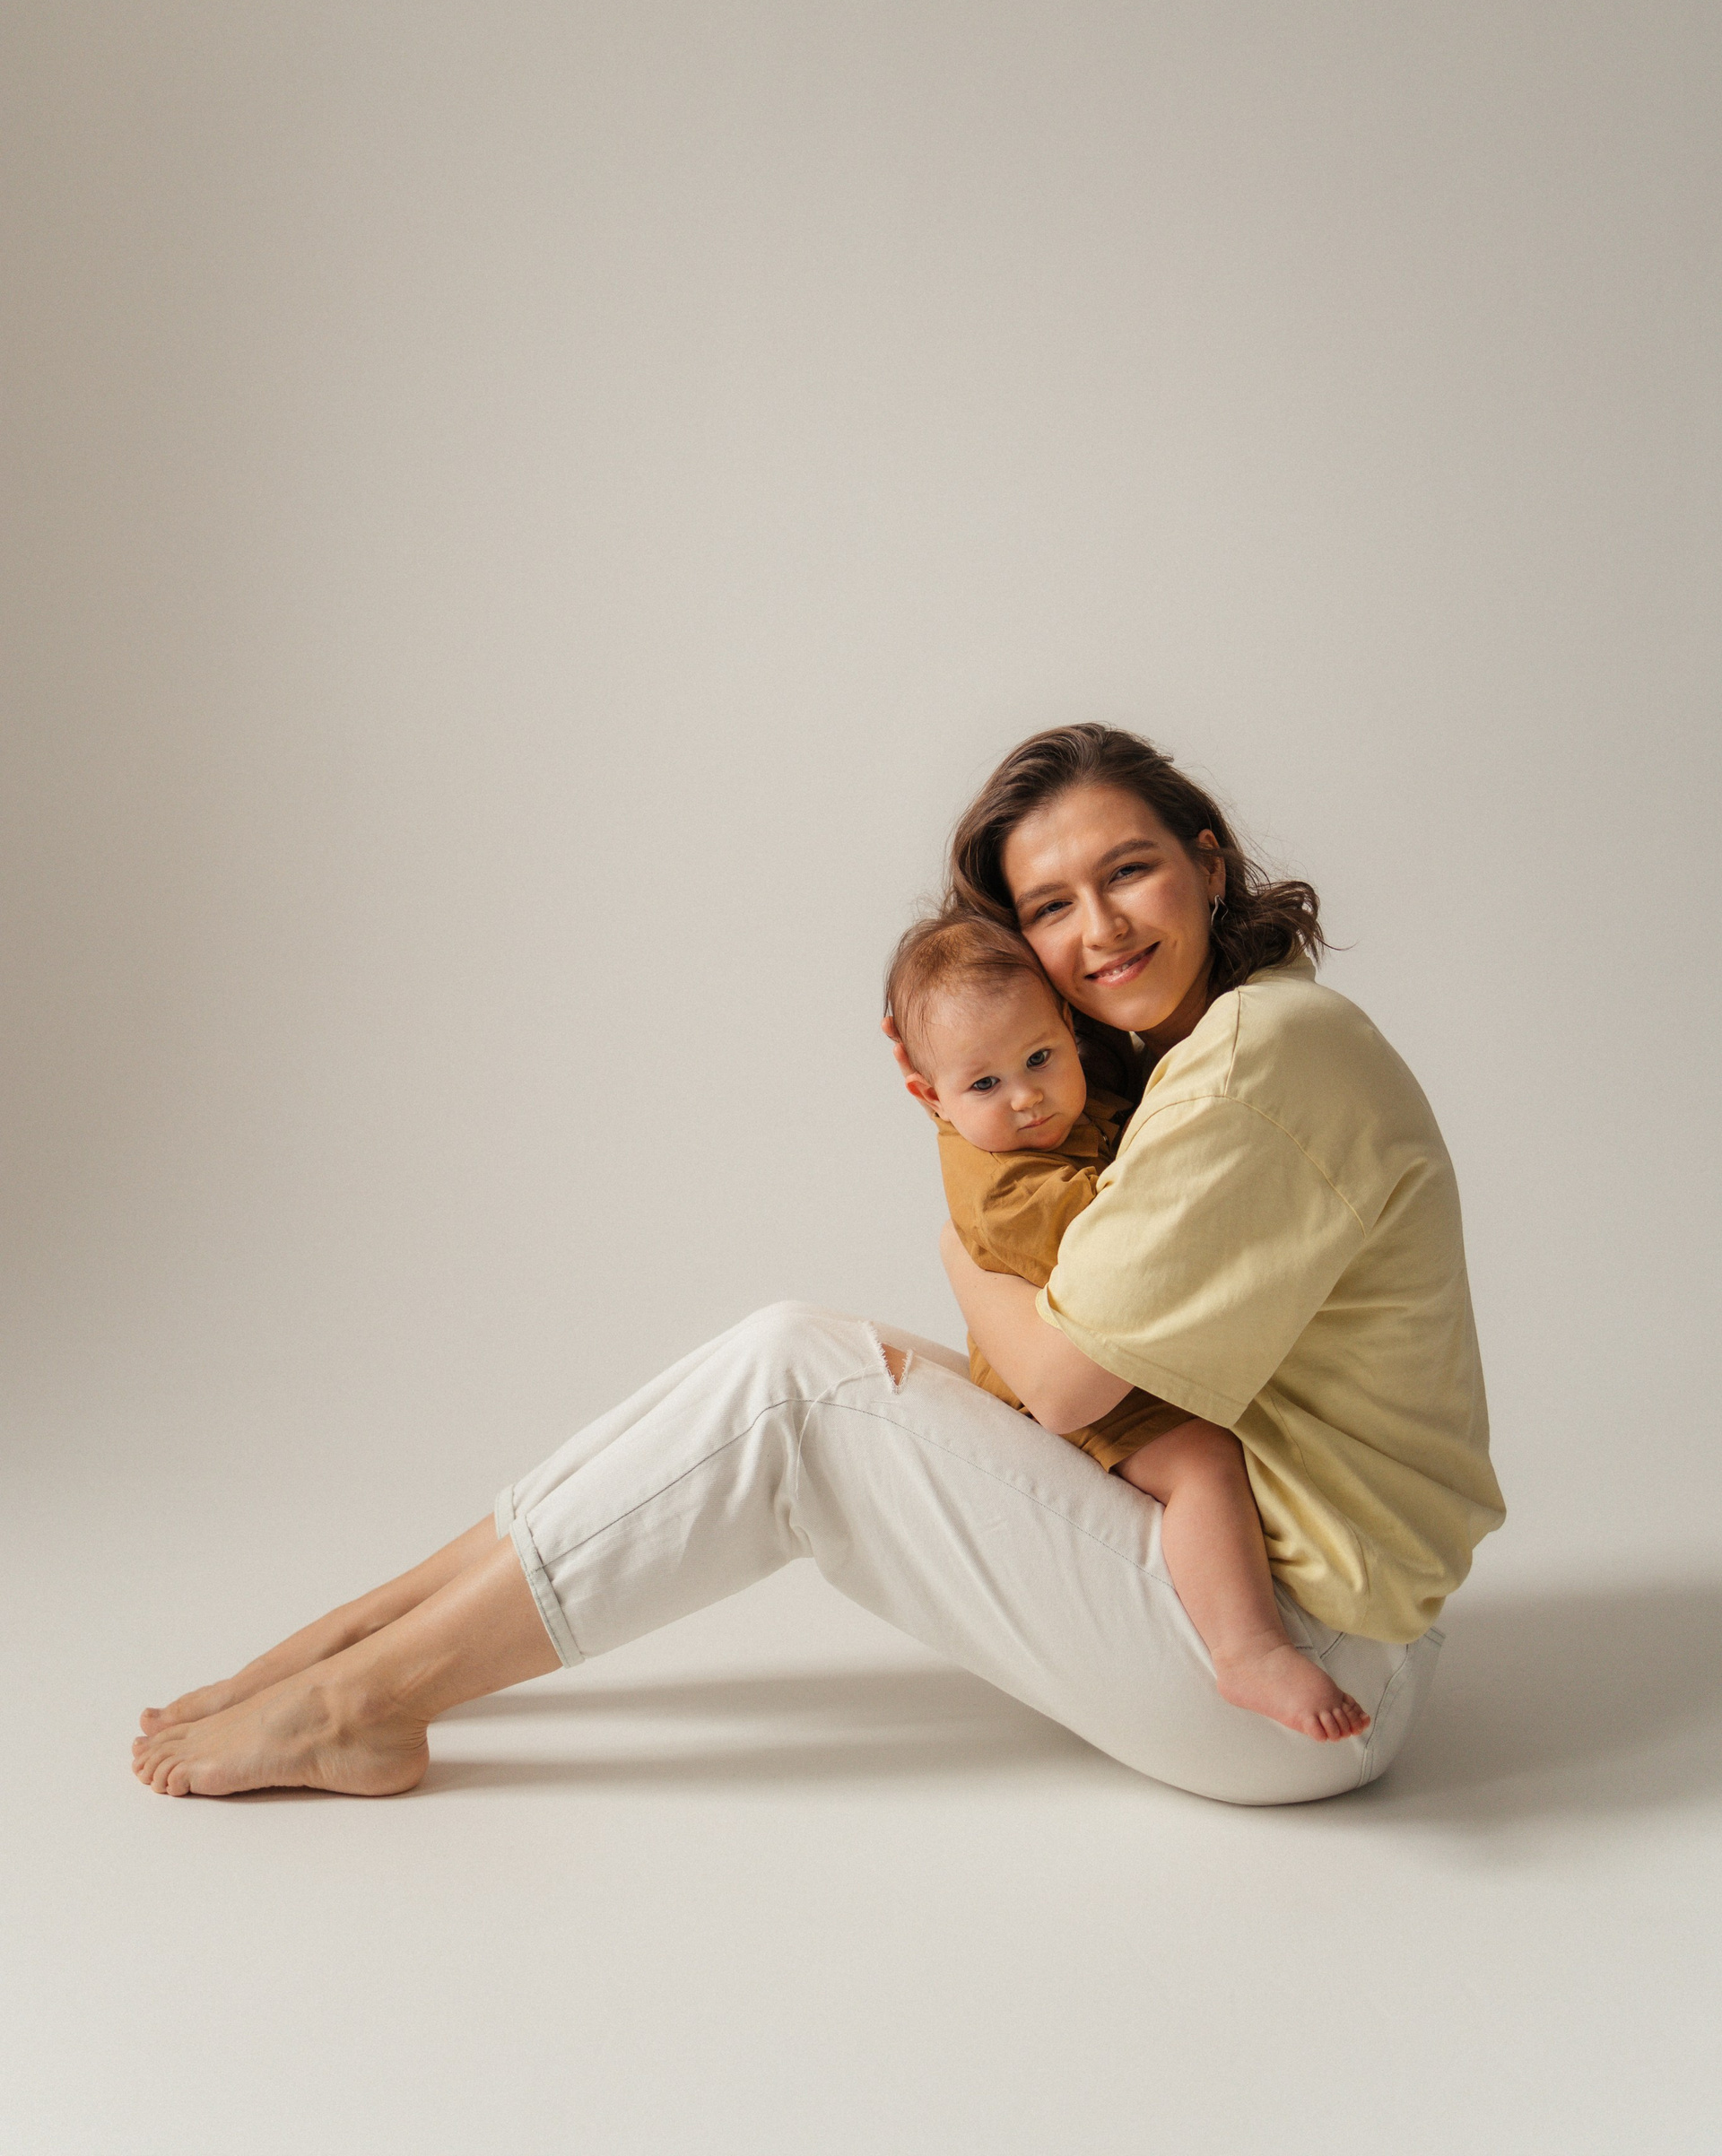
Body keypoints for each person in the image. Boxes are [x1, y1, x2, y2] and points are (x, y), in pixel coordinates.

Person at [132, 722, 1503, 1807]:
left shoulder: (1260, 1058)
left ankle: (364, 1699)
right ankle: (359, 1641)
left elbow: (1067, 1385)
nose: (1099, 929)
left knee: (799, 1388)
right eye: (1051, 904)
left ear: (1207, 865)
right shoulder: (1201, 1057)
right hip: (1269, 1608)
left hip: (1303, 1664)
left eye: (1129, 871)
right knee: (792, 1351)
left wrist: (961, 1246)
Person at [883, 904, 1370, 1742]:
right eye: (985, 1085)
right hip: (1055, 1388)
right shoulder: (1006, 1190)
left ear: (1068, 1031)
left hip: (1112, 1354)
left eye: (1040, 1058)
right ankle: (1247, 1650)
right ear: (931, 1096)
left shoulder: (1060, 1106)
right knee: (1204, 1465)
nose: (1027, 1098)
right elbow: (1129, 1233)